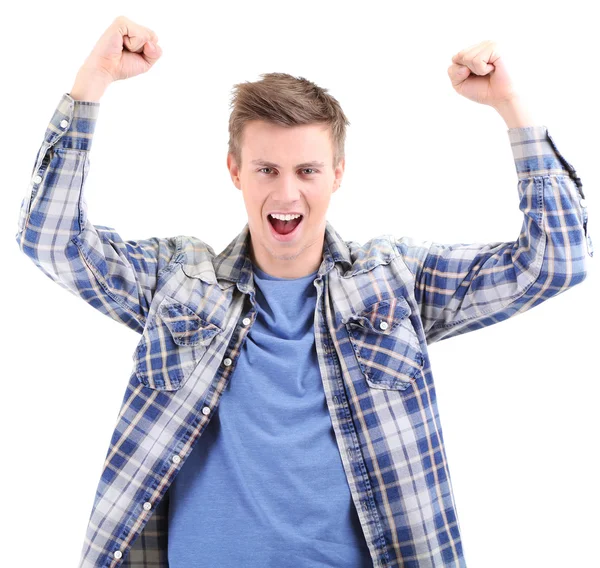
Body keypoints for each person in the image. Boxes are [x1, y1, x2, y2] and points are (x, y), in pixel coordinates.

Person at [15, 15, 592, 568]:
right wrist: (91, 84)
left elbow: (555, 262)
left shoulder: (394, 282)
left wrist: (512, 108)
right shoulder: (178, 283)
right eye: (266, 169)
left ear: (338, 173)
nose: (287, 193)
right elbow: (52, 240)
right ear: (235, 171)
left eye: (308, 171)